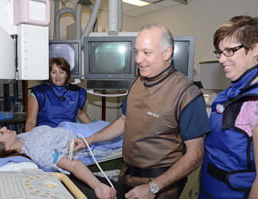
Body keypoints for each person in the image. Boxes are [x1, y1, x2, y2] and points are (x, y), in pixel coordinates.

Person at [71, 23, 211, 199]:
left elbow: (196, 156)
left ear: (167, 53)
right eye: (136, 52)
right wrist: (88, 141)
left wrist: (153, 187)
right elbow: (123, 121)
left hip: (161, 185)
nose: (138, 59)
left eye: (147, 52)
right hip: (128, 175)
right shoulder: (136, 84)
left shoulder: (187, 94)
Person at [0, 126, 116, 199]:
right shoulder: (39, 153)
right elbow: (74, 165)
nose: (4, 128)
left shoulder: (22, 139)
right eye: (1, 132)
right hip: (82, 136)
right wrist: (97, 185)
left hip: (69, 126)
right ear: (6, 148)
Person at [199, 15, 258, 199]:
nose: (221, 59)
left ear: (256, 48)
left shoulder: (254, 104)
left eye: (230, 51)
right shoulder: (227, 94)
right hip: (208, 189)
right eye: (219, 52)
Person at [25, 57, 91, 132]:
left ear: (67, 74)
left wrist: (94, 129)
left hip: (69, 134)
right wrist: (29, 140)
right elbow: (31, 121)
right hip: (46, 135)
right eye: (54, 72)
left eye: (62, 72)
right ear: (49, 74)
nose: (58, 76)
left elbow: (80, 113)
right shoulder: (38, 93)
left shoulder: (77, 92)